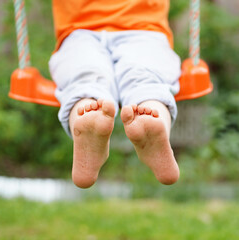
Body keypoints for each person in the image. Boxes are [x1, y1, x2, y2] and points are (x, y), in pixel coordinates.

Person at [48, 0, 181, 188]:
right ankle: (152, 113)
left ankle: (88, 114)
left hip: (83, 34)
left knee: (84, 79)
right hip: (143, 32)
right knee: (147, 78)